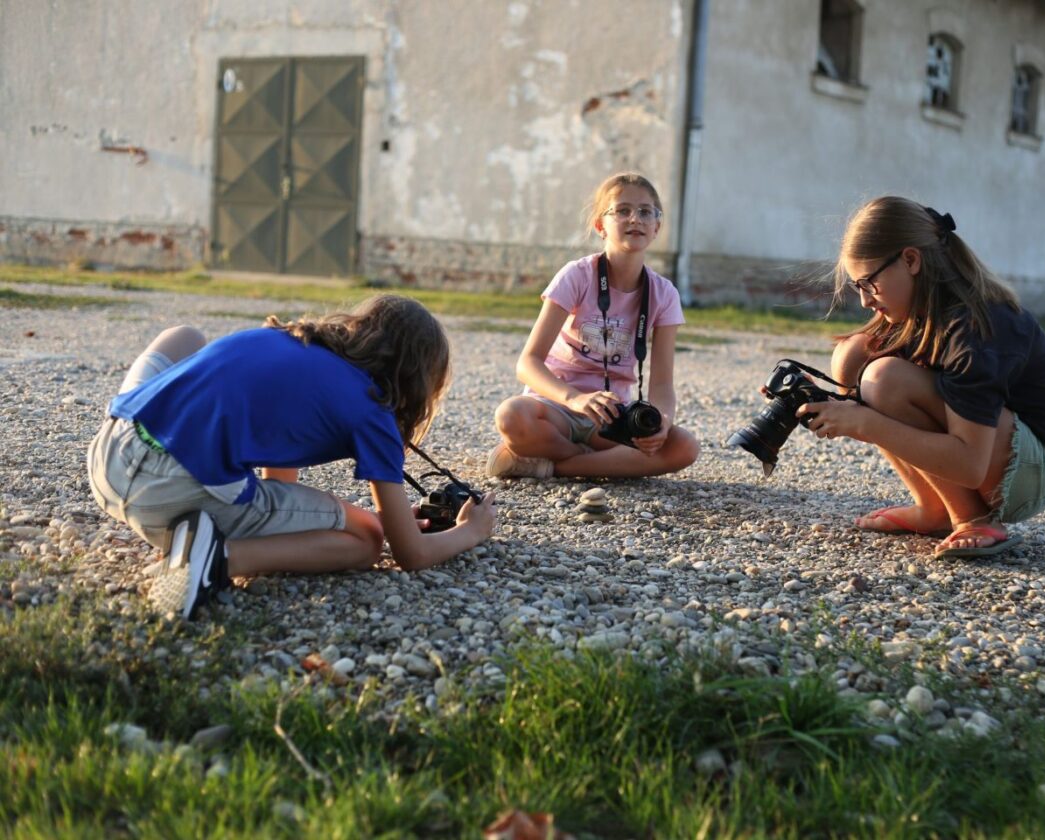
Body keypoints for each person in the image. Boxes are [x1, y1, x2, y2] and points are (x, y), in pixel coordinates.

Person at [87, 294, 497, 619]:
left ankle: (201, 537)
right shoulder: (374, 412)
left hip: (110, 456)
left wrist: (385, 515)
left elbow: (279, 485)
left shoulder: (289, 339)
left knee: (184, 337)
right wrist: (469, 532)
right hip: (165, 491)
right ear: (417, 379)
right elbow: (410, 556)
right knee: (366, 541)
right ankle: (214, 559)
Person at [800, 197, 1045, 559]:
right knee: (854, 356)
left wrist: (865, 424)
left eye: (868, 283)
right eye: (857, 287)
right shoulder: (916, 312)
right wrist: (820, 403)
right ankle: (935, 509)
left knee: (884, 379)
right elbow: (872, 401)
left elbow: (969, 465)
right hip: (992, 449)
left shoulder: (978, 327)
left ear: (910, 260)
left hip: (1038, 467)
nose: (864, 301)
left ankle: (975, 518)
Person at [487, 172, 700, 479]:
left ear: (657, 227)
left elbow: (663, 384)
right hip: (555, 409)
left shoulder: (664, 293)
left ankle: (552, 465)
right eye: (622, 210)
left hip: (611, 419)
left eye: (645, 212)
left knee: (684, 447)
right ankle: (600, 464)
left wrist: (663, 421)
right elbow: (528, 363)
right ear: (601, 225)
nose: (635, 219)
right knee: (511, 416)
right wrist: (575, 398)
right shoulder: (576, 275)